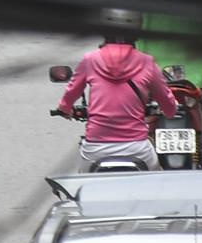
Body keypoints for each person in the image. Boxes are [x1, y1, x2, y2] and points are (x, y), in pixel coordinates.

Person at [55, 10, 179, 171]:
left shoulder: (90, 60)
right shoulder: (147, 62)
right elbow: (167, 102)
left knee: (82, 186)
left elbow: (71, 93)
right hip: (137, 149)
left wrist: (65, 109)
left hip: (96, 149)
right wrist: (170, 109)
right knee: (158, 184)